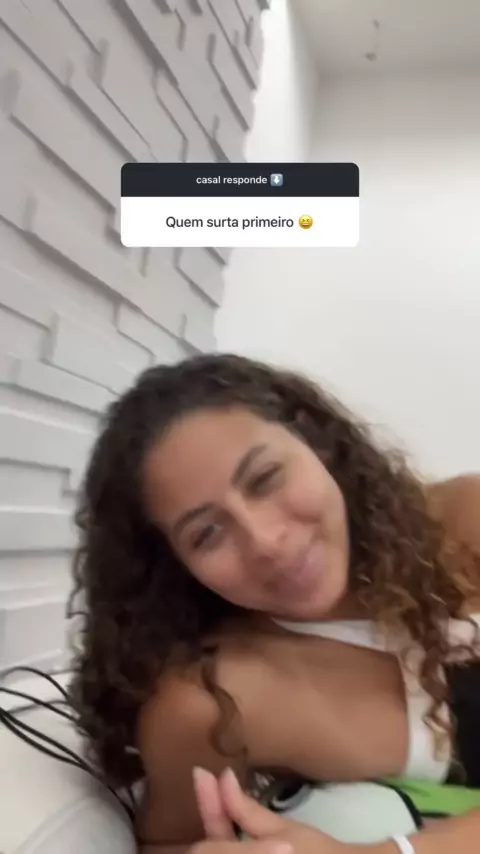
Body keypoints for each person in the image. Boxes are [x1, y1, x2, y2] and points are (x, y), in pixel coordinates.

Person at [69, 353, 480, 854]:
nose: (265, 542)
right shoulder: (214, 700)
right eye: (207, 533)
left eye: (265, 478)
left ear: (317, 443)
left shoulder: (464, 521)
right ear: (175, 565)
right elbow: (172, 842)